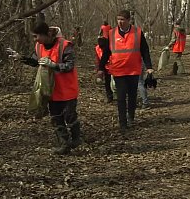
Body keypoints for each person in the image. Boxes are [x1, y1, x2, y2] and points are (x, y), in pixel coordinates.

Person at [8, 23, 81, 155]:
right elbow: (37, 62)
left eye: (36, 36)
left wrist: (54, 65)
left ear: (45, 34)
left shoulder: (64, 45)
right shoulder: (39, 46)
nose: (34, 39)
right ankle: (64, 144)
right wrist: (21, 58)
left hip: (67, 89)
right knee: (56, 118)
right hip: (50, 90)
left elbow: (70, 65)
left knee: (70, 117)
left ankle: (76, 138)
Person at [98, 9, 154, 132]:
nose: (120, 22)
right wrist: (101, 68)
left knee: (132, 96)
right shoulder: (112, 34)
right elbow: (106, 52)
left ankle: (131, 117)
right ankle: (122, 122)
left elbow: (145, 50)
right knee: (121, 96)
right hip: (118, 70)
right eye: (118, 19)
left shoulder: (138, 33)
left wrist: (149, 67)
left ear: (129, 20)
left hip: (133, 70)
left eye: (122, 19)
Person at [95, 37, 113, 103]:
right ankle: (109, 96)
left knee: (114, 83)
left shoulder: (111, 47)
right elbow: (98, 59)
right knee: (107, 83)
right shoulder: (97, 48)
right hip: (105, 67)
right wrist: (99, 69)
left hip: (113, 67)